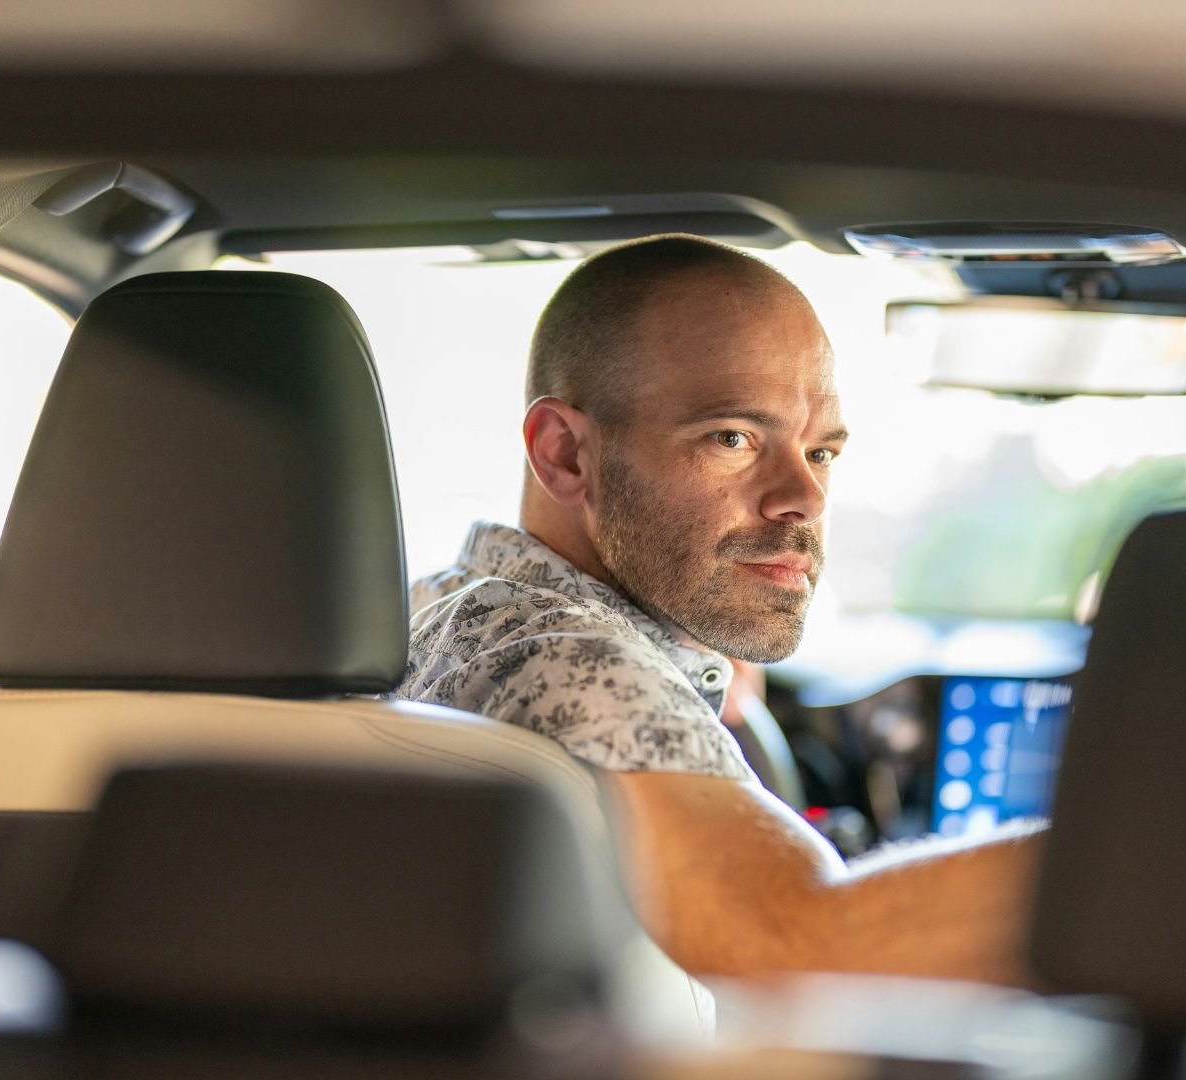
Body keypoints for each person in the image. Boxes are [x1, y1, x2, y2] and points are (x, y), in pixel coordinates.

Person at [400, 234, 1041, 984]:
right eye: (733, 437)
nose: (804, 498)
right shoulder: (578, 665)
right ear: (565, 454)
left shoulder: (452, 602)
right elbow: (801, 947)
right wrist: (1160, 856)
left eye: (821, 452)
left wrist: (695, 682)